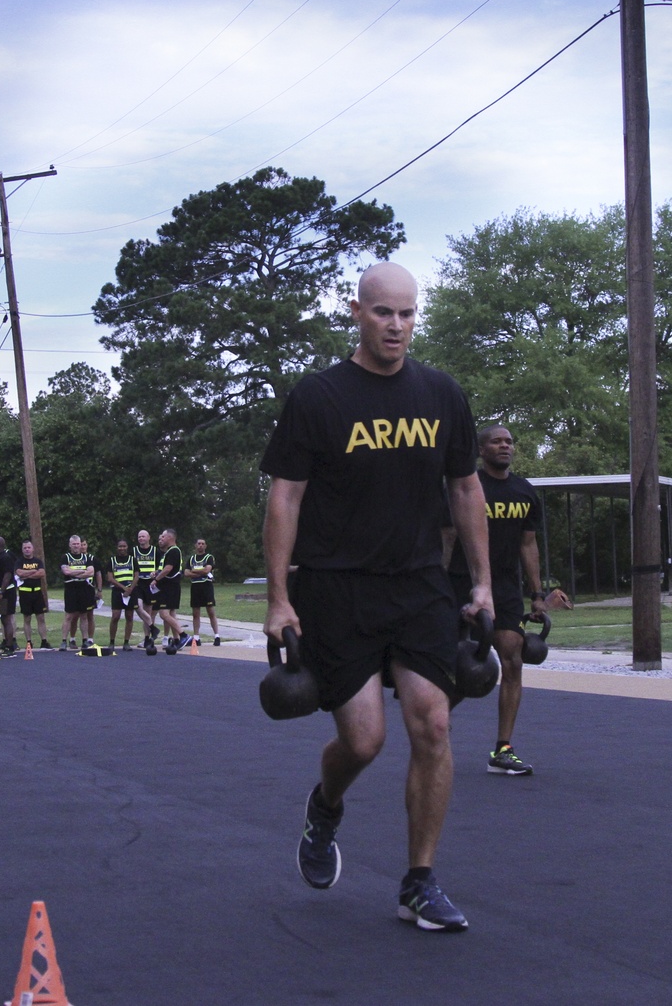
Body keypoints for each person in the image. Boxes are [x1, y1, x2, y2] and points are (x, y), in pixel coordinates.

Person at [261, 261, 492, 933]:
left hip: (419, 584)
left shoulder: (442, 394)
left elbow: (465, 490)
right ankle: (325, 806)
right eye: (384, 312)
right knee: (364, 742)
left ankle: (419, 881)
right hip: (337, 588)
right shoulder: (319, 397)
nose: (397, 325)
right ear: (356, 313)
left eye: (408, 313)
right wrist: (280, 598)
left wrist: (479, 582)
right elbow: (286, 497)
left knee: (434, 722)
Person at [444, 424, 546, 776]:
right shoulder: (466, 489)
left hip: (504, 589)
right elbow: (448, 537)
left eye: (509, 442)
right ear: (481, 449)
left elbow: (528, 545)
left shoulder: (525, 492)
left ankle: (503, 749)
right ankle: (438, 713)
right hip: (460, 584)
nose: (505, 446)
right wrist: (437, 585)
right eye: (497, 441)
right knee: (460, 666)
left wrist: (537, 594)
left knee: (512, 660)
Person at [154, 529, 190, 650]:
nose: (161, 539)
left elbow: (168, 569)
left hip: (170, 587)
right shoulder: (169, 552)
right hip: (169, 586)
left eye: (163, 536)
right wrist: (156, 573)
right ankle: (177, 639)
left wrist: (156, 579)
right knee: (171, 613)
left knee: (163, 614)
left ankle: (183, 635)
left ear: (170, 537)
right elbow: (165, 568)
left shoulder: (174, 551)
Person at [16, 539, 51, 650]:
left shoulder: (38, 561)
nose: (27, 549)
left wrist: (27, 575)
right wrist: (34, 572)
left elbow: (42, 573)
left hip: (37, 592)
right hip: (24, 593)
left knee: (41, 617)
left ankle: (44, 641)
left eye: (29, 547)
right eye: (25, 548)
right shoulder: (19, 561)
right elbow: (19, 573)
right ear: (22, 549)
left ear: (33, 549)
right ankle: (29, 642)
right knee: (27, 619)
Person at [60, 535, 94, 651]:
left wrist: (74, 572)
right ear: (70, 545)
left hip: (83, 588)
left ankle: (85, 640)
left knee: (84, 615)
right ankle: (64, 640)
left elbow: (91, 572)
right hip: (71, 588)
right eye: (73, 544)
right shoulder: (66, 557)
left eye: (78, 544)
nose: (76, 546)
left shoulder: (86, 557)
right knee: (69, 615)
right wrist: (82, 571)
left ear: (81, 544)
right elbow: (66, 571)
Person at [184, 538, 220, 645]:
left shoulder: (209, 557)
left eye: (202, 544)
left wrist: (193, 571)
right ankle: (196, 637)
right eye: (199, 543)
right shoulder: (191, 559)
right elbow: (186, 573)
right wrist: (199, 573)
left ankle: (217, 636)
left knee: (210, 611)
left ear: (205, 546)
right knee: (195, 613)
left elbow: (207, 570)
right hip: (195, 587)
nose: (200, 545)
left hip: (206, 586)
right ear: (195, 545)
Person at [106, 539, 139, 652]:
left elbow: (136, 576)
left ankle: (126, 642)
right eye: (120, 546)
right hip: (117, 591)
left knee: (129, 616)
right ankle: (112, 642)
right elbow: (110, 578)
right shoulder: (112, 560)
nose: (122, 548)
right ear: (117, 547)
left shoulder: (132, 560)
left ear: (127, 547)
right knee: (115, 616)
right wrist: (123, 588)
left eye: (124, 546)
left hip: (131, 591)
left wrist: (130, 589)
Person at [0, 536, 18, 653]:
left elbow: (7, 575)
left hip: (7, 592)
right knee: (3, 618)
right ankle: (7, 643)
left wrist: (1, 591)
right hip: (1, 590)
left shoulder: (5, 557)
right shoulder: (0, 557)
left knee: (7, 618)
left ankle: (10, 646)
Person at [132, 529, 160, 647]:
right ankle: (153, 629)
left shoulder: (155, 551)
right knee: (138, 607)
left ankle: (148, 639)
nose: (141, 539)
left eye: (143, 536)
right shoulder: (133, 551)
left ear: (149, 538)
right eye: (139, 537)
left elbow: (161, 567)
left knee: (148, 612)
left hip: (150, 584)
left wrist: (156, 572)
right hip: (138, 584)